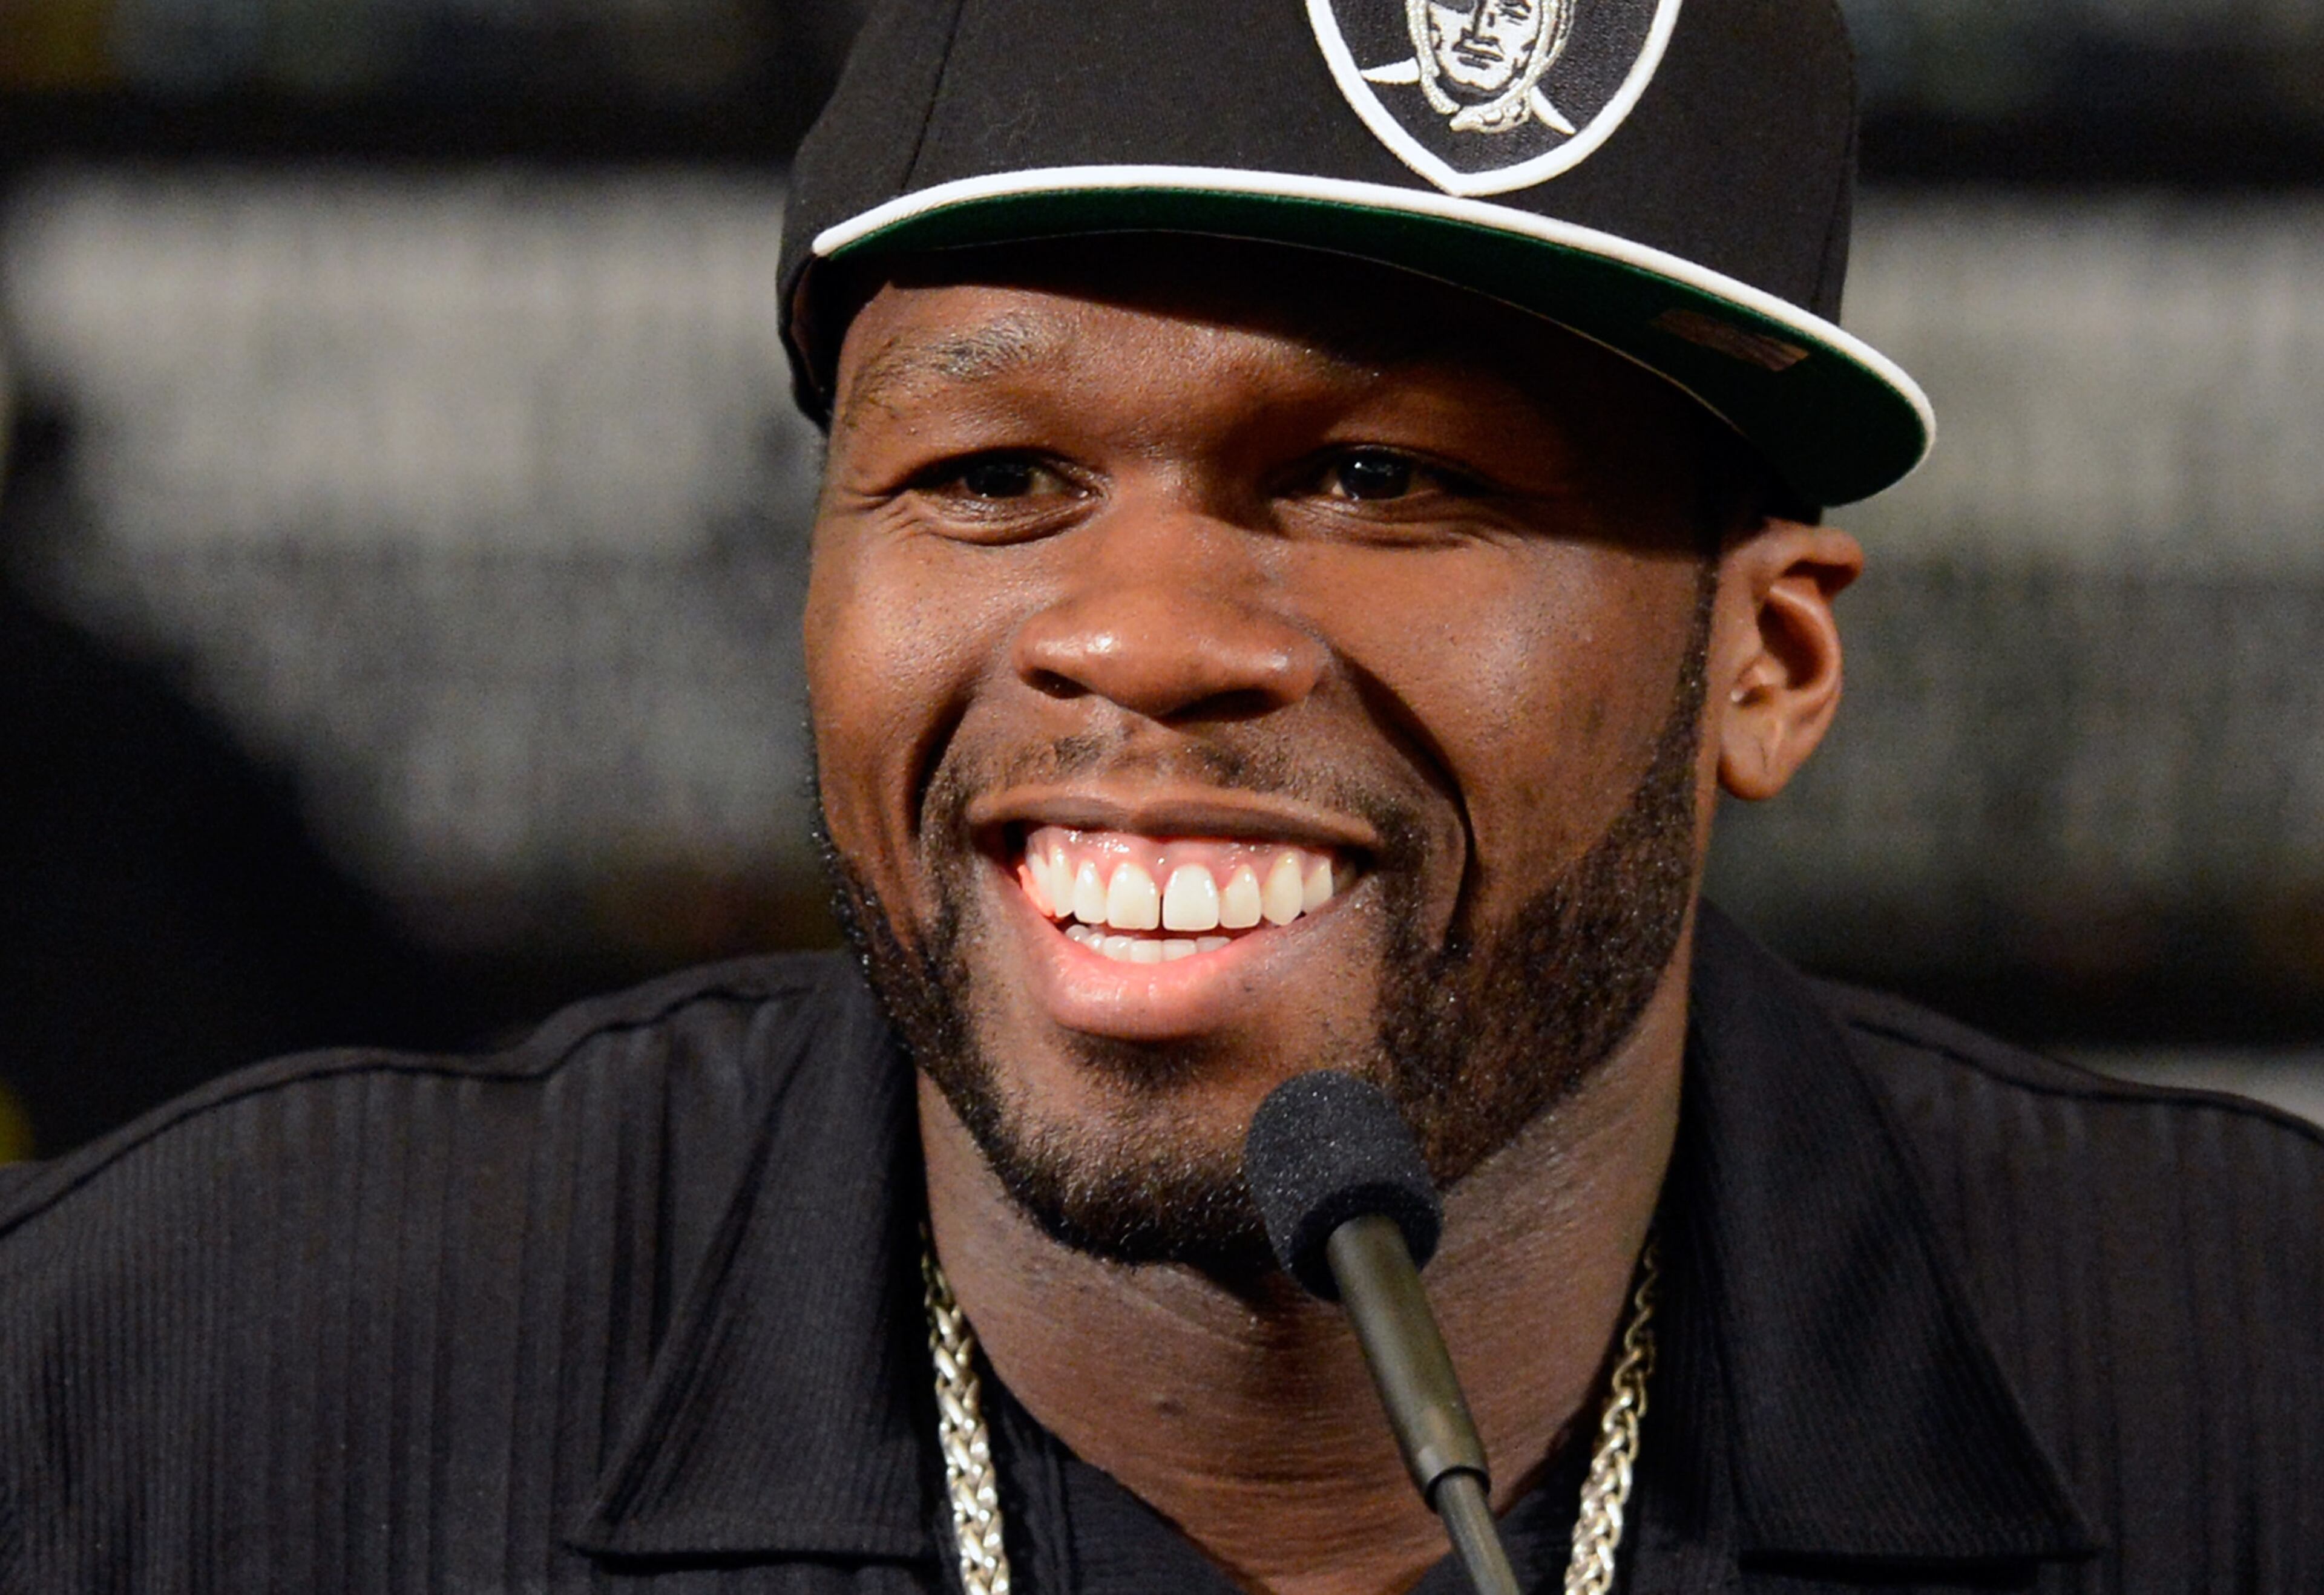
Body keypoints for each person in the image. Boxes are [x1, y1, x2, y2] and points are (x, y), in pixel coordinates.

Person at [3, 0, 2319, 1590]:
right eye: (994, 472)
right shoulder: (173, 1405)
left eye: (1383, 473)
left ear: (1769, 655)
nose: (1141, 631)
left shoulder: (2241, 1404)